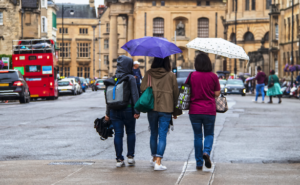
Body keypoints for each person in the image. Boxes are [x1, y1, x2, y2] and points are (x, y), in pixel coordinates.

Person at [140, 57, 179, 171]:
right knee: (162, 135)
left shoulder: (149, 74)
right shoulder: (171, 75)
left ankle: (153, 158)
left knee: (153, 133)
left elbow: (142, 88)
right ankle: (158, 161)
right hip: (166, 108)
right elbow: (176, 94)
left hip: (152, 107)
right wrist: (175, 112)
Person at [186, 53, 220, 171]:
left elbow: (186, 90)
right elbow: (216, 93)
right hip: (209, 110)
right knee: (209, 134)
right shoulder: (213, 76)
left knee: (197, 136)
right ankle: (206, 151)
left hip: (194, 110)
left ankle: (199, 163)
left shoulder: (192, 75)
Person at [105, 55, 140, 168]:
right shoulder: (130, 78)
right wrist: (136, 110)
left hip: (114, 110)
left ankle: (119, 159)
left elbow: (109, 98)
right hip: (128, 109)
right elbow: (135, 94)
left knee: (118, 134)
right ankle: (130, 157)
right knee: (130, 132)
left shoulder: (113, 78)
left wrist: (107, 113)